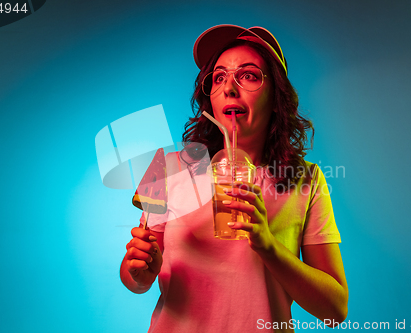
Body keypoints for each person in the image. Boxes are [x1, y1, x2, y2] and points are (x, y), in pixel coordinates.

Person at [120, 25, 348, 332]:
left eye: (249, 75)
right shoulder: (167, 167)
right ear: (210, 99)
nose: (229, 87)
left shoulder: (307, 179)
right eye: (219, 77)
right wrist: (140, 271)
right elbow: (135, 279)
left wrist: (268, 246)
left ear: (275, 96)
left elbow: (335, 310)